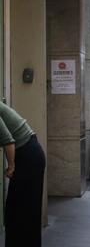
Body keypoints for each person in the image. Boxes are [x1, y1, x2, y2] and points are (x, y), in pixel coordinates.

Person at [0, 102, 46, 247]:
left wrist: (11, 166)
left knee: (18, 213)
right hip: (29, 153)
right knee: (22, 212)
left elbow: (8, 141)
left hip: (27, 156)